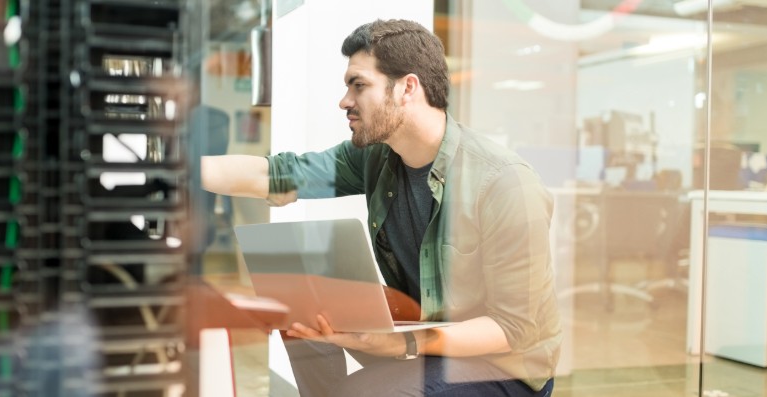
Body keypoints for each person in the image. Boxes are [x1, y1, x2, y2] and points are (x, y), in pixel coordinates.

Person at [201, 19, 559, 397]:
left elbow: (514, 329)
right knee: (303, 309)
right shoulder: (375, 157)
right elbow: (277, 174)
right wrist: (179, 169)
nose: (345, 101)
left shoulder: (504, 182)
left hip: (503, 366)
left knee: (365, 392)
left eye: (359, 85)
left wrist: (400, 345)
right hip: (423, 334)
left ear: (407, 88)